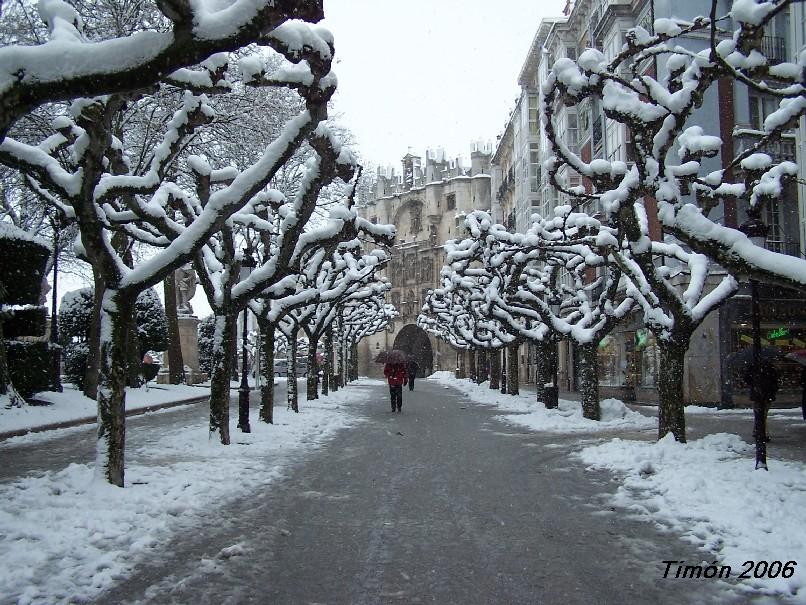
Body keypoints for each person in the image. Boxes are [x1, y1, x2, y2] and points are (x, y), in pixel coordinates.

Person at [743, 360, 779, 442]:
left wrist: (754, 385)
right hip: (766, 394)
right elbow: (774, 381)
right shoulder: (770, 368)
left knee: (759, 414)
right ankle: (761, 432)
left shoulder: (753, 367)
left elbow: (747, 379)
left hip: (757, 394)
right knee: (763, 414)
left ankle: (758, 431)